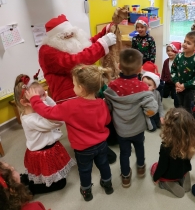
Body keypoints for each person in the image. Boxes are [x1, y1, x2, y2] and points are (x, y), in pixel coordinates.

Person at [25, 64, 114, 202]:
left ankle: (87, 192)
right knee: (104, 165)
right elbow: (107, 120)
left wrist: (34, 99)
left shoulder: (69, 106)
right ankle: (108, 185)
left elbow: (47, 112)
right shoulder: (101, 103)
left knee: (84, 171)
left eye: (74, 85)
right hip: (102, 145)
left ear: (81, 88)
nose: (72, 87)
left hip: (83, 149)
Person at [38, 14, 117, 163]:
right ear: (55, 37)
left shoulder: (67, 42)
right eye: (65, 35)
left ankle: (105, 142)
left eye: (71, 33)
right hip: (69, 94)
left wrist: (104, 33)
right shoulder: (47, 52)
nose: (70, 36)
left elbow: (86, 46)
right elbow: (76, 60)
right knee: (82, 124)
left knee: (97, 116)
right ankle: (89, 150)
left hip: (85, 87)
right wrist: (102, 45)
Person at [104, 49, 158, 188]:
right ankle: (140, 167)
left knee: (124, 153)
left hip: (121, 129)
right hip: (138, 128)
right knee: (140, 147)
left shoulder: (112, 86)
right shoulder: (143, 87)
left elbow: (108, 106)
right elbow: (152, 109)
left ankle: (126, 177)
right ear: (141, 69)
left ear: (119, 66)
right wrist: (148, 114)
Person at [13, 75, 75, 195]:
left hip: (49, 149)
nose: (45, 98)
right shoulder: (30, 119)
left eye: (45, 93)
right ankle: (30, 189)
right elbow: (59, 119)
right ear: (25, 102)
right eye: (40, 96)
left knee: (51, 175)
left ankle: (28, 179)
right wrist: (43, 102)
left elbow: (54, 110)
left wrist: (43, 99)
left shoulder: (37, 110)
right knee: (60, 183)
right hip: (42, 154)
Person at [151, 108, 195, 198]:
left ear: (169, 129)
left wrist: (156, 177)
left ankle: (166, 183)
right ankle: (184, 177)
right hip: (184, 169)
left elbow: (162, 166)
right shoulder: (192, 141)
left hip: (170, 174)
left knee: (153, 167)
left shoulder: (166, 147)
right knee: (183, 167)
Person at [171, 31, 195, 114]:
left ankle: (186, 124)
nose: (185, 44)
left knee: (187, 108)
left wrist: (185, 85)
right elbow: (173, 69)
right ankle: (179, 121)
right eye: (184, 41)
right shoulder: (178, 56)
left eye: (188, 43)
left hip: (189, 89)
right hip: (178, 86)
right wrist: (176, 82)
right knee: (178, 105)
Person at [161, 42, 181, 108]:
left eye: (172, 51)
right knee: (164, 94)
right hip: (167, 82)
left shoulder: (179, 61)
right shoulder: (166, 61)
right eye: (168, 51)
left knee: (175, 98)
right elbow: (163, 71)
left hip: (175, 83)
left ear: (177, 51)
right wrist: (162, 80)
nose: (169, 52)